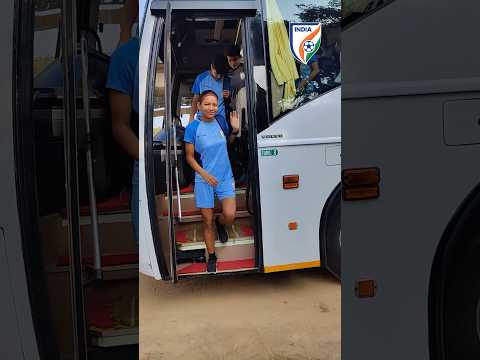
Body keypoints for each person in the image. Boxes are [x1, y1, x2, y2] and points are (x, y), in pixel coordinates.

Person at [184, 90, 240, 273]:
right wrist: (205, 174)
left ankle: (220, 223)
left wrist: (235, 131)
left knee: (230, 215)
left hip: (224, 176)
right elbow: (189, 157)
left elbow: (228, 144)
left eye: (214, 104)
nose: (211, 107)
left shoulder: (221, 121)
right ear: (199, 106)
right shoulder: (192, 128)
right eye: (207, 104)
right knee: (206, 220)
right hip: (204, 178)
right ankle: (212, 255)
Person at [106, 0, 139, 243]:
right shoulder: (125, 56)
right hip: (144, 160)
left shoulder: (174, 52)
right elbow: (120, 125)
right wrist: (148, 161)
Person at [190, 54, 231, 135]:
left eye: (221, 74)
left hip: (220, 121)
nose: (219, 77)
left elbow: (230, 102)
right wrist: (191, 118)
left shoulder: (226, 79)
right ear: (212, 67)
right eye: (216, 73)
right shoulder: (200, 79)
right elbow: (195, 100)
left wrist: (228, 97)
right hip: (203, 120)